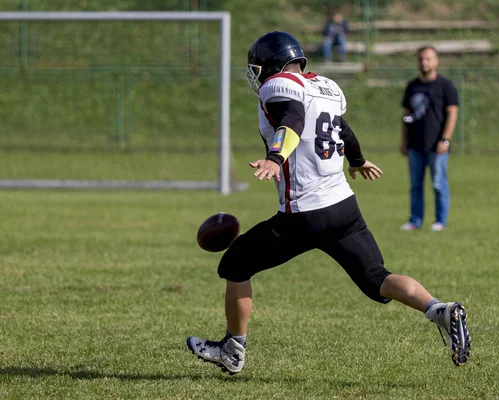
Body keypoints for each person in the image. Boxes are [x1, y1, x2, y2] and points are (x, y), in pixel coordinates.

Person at [186, 32, 470, 375]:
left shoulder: (277, 85)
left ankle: (232, 349)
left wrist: (275, 158)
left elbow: (292, 118)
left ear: (272, 65)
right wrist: (357, 159)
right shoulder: (326, 86)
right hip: (344, 208)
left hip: (304, 213)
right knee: (377, 277)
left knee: (234, 264)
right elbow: (343, 128)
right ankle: (439, 309)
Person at [400, 46, 459, 232]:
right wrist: (404, 140)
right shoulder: (412, 86)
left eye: (428, 59)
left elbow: (452, 113)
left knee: (438, 184)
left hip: (437, 145)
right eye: (421, 59)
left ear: (436, 61)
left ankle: (440, 221)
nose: (424, 62)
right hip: (415, 145)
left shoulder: (445, 85)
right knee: (416, 185)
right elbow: (406, 114)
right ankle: (414, 221)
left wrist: (446, 139)